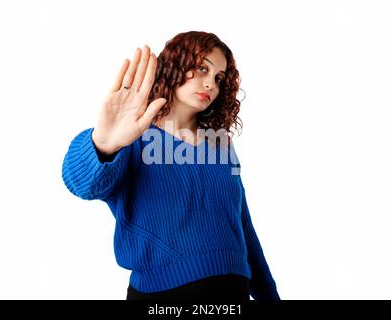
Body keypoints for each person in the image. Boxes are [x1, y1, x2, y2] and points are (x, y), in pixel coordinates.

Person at [62, 31, 280, 301]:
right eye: (202, 68)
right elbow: (81, 183)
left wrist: (270, 296)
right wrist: (103, 143)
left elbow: (242, 226)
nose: (210, 83)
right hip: (163, 297)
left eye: (219, 78)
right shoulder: (132, 138)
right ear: (177, 65)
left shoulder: (221, 146)